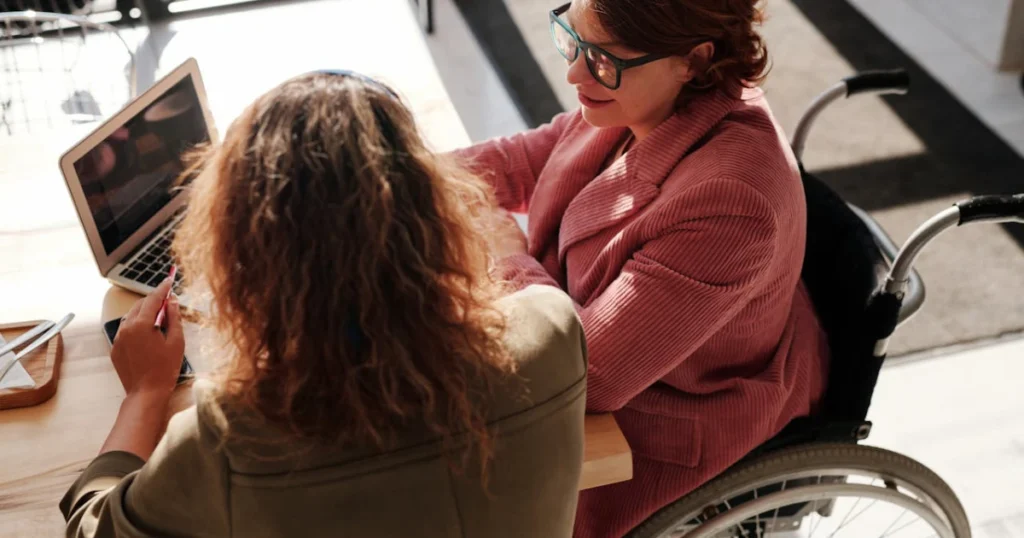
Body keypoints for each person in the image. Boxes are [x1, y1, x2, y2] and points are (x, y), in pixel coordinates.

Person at [60, 71, 588, 538]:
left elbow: (93, 530)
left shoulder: (230, 440)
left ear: (245, 257)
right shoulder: (554, 330)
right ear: (437, 212)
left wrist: (145, 394)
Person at [452, 1, 831, 535]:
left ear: (694, 60)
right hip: (603, 350)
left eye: (602, 59)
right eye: (571, 39)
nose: (574, 73)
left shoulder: (731, 200)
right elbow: (530, 158)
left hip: (659, 426)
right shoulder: (642, 96)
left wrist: (505, 252)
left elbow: (589, 375)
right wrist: (399, 174)